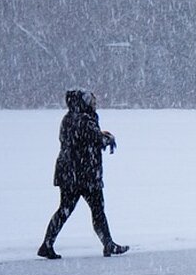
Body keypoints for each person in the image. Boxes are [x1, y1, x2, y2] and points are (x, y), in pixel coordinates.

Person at [38, 89, 129, 259]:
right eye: (92, 101)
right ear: (84, 102)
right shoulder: (85, 119)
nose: (94, 103)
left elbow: (80, 139)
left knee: (65, 210)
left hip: (68, 172)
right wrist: (108, 138)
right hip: (84, 174)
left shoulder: (68, 118)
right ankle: (108, 244)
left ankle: (47, 243)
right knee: (97, 210)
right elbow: (95, 140)